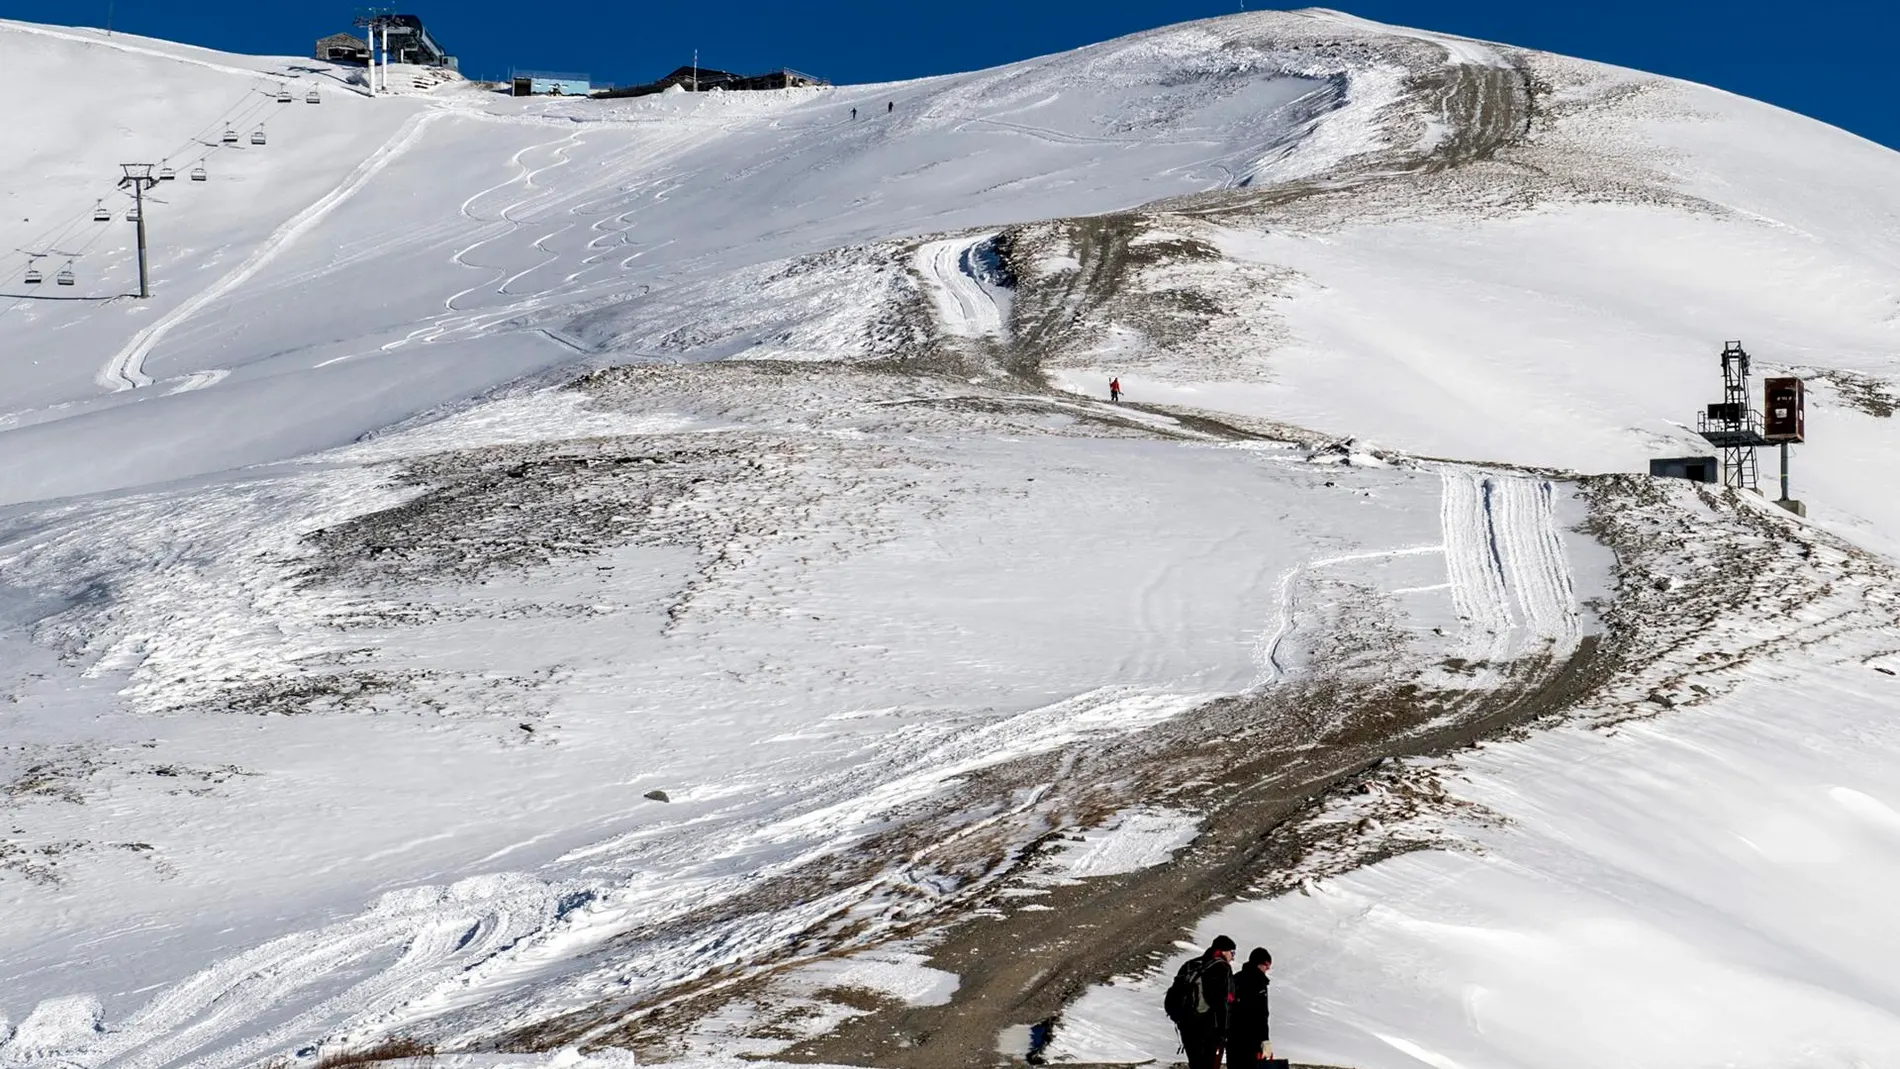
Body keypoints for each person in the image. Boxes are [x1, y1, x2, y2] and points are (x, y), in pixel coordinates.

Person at [1171, 935, 1235, 1069]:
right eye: (1232, 952)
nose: (1233, 957)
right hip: (1209, 1028)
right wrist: (1223, 1033)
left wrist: (1180, 1020)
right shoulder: (1223, 968)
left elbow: (1175, 993)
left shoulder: (1190, 965)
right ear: (1223, 951)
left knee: (1195, 1064)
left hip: (1187, 1026)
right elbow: (1223, 1003)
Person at [1230, 947, 1272, 1063]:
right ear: (1259, 964)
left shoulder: (1236, 978)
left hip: (1233, 1037)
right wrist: (1264, 1039)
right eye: (1267, 964)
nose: (1268, 968)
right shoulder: (1259, 981)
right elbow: (1261, 1013)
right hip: (1252, 1039)